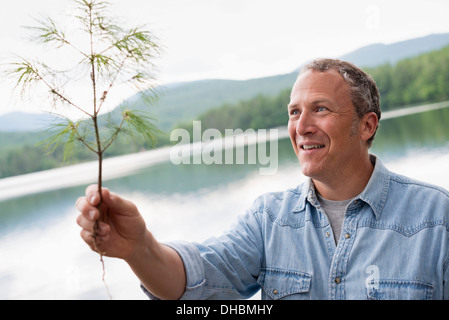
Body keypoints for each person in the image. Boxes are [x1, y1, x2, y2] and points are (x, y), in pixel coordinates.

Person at [76, 58, 449, 300]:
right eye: (293, 112)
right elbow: (198, 283)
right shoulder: (269, 219)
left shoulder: (436, 216)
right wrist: (139, 249)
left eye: (320, 109)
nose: (301, 127)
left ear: (367, 125)